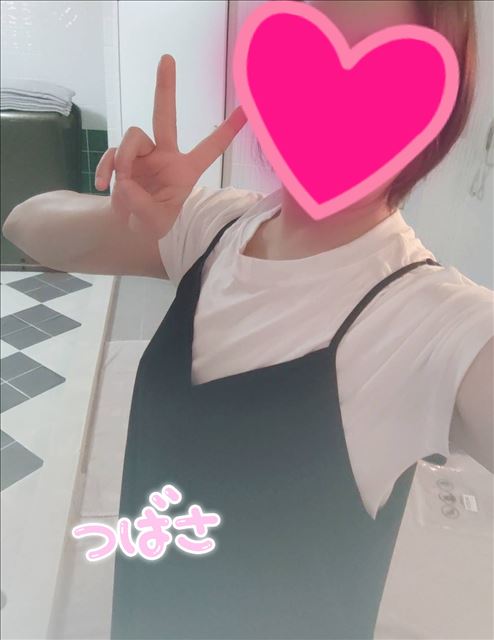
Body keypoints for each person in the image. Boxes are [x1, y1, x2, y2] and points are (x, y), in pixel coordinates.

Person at [3, 2, 492, 638]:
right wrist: (127, 208)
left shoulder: (432, 322)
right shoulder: (218, 226)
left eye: (386, 75)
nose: (332, 102)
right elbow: (27, 224)